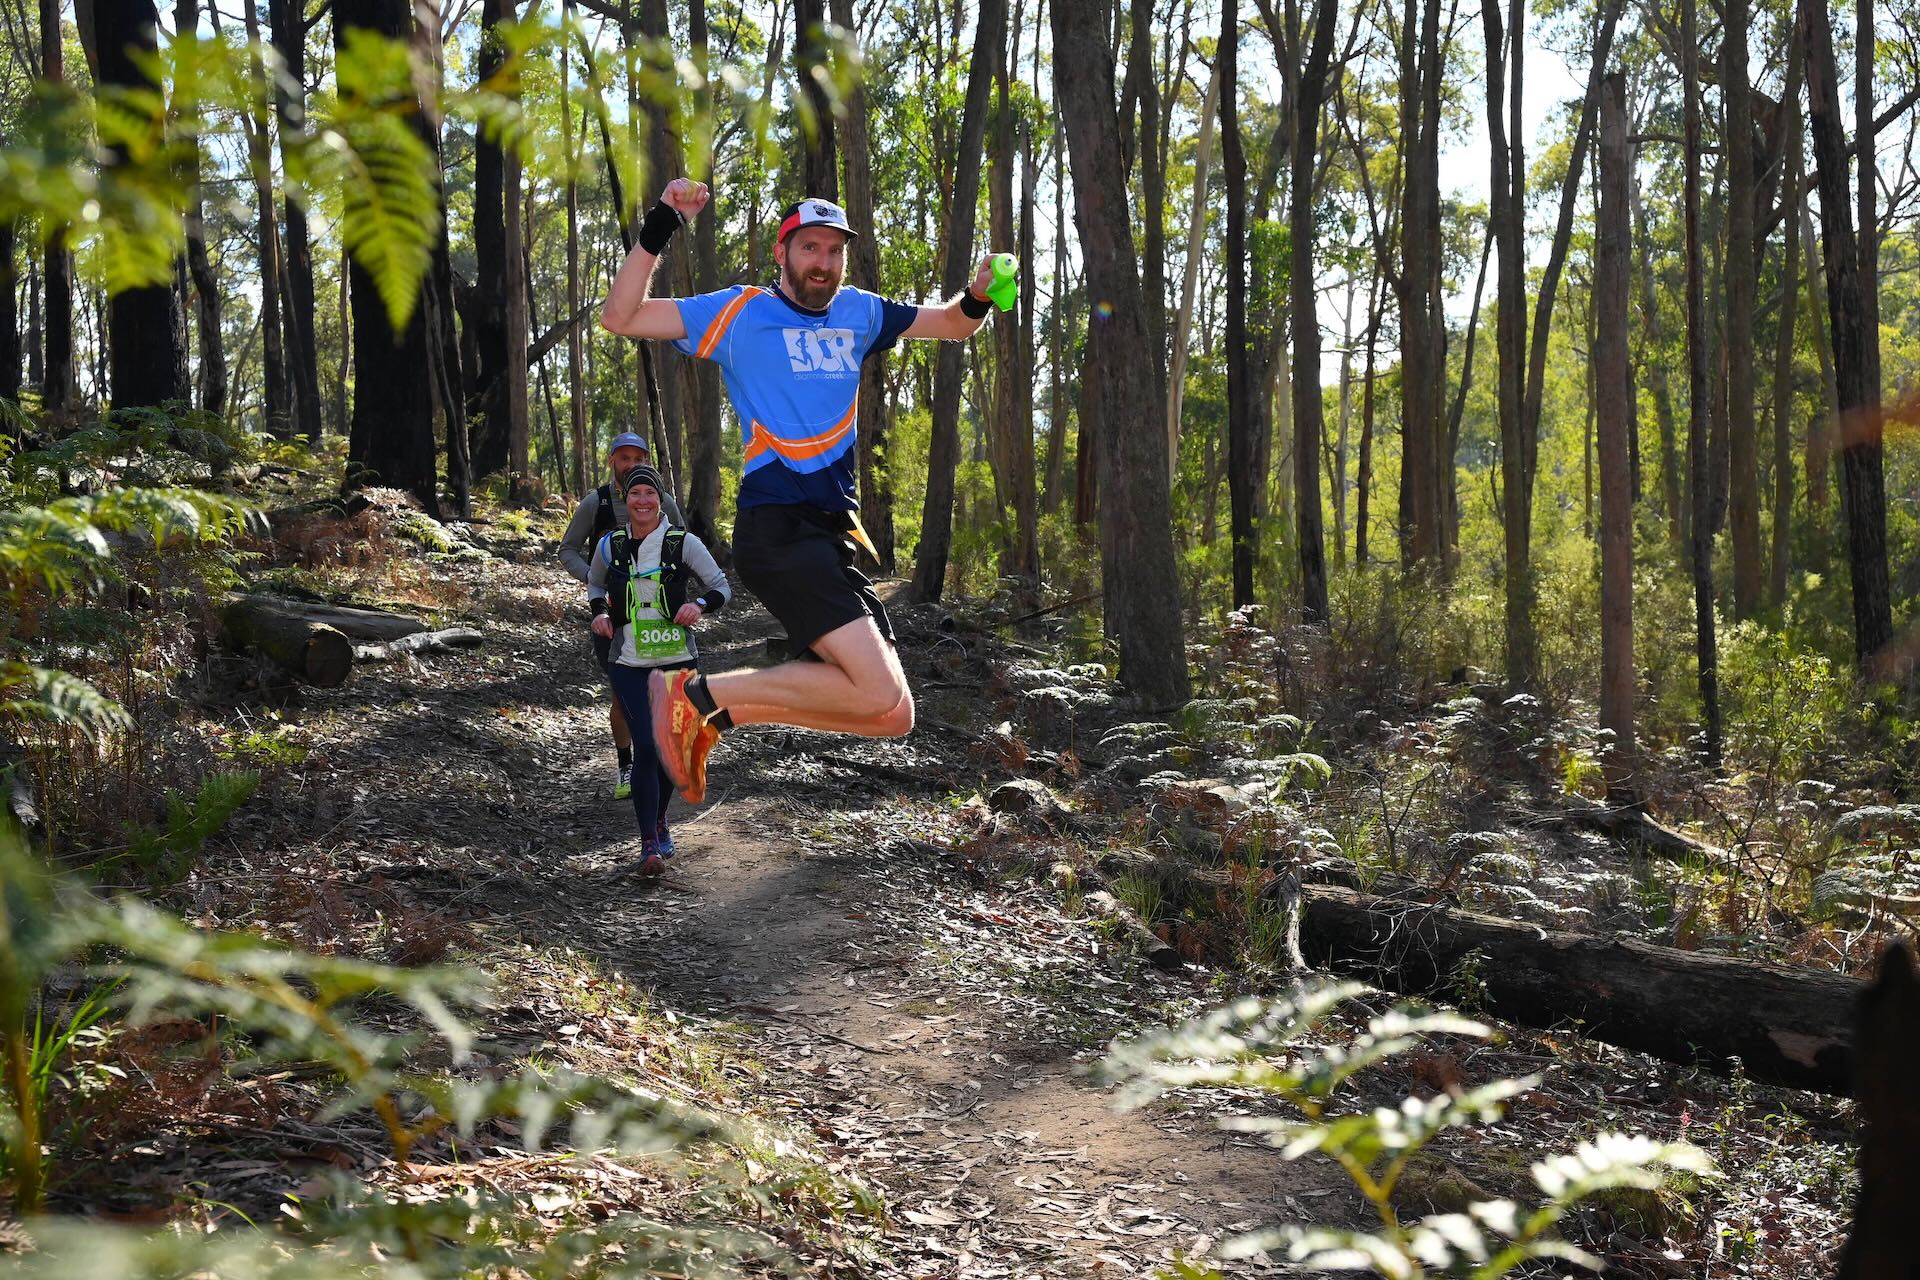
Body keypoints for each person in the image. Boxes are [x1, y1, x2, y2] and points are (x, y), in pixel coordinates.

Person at [600, 179, 1001, 805]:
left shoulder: (861, 313)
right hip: (778, 526)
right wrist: (662, 223)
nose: (824, 263)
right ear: (783, 253)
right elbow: (620, 317)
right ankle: (696, 695)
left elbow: (952, 326)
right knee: (873, 692)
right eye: (810, 248)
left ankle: (715, 715)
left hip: (832, 535)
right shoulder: (740, 313)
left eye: (835, 251)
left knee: (895, 716)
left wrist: (978, 295)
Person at [587, 463, 730, 874]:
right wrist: (600, 613)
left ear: (661, 500)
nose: (643, 501)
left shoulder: (682, 543)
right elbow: (596, 585)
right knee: (647, 747)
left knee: (671, 752)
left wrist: (698, 605)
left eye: (650, 493)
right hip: (628, 661)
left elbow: (721, 585)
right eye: (636, 494)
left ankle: (661, 819)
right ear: (625, 501)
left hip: (676, 660)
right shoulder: (609, 546)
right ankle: (648, 842)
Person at [560, 432, 685, 798]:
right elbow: (567, 550)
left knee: (663, 689)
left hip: (660, 615)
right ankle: (625, 766)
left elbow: (684, 546)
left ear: (646, 460)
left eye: (637, 458)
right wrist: (596, 577)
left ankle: (663, 760)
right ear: (612, 461)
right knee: (622, 694)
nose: (630, 464)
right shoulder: (595, 502)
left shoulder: (665, 502)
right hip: (614, 618)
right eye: (623, 458)